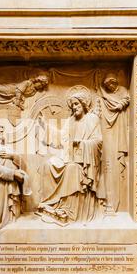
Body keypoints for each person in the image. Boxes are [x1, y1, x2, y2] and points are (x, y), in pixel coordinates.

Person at [37, 86, 105, 225]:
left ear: (83, 104)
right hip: (69, 157)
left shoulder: (92, 119)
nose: (74, 107)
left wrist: (82, 143)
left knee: (71, 169)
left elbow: (98, 142)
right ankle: (53, 203)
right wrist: (45, 125)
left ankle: (70, 210)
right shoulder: (71, 121)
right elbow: (60, 137)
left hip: (85, 163)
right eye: (72, 105)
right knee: (48, 164)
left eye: (76, 104)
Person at [97, 73, 130, 213]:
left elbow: (126, 100)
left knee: (114, 164)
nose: (110, 87)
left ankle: (114, 203)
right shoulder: (103, 98)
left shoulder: (122, 91)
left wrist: (120, 104)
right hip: (106, 130)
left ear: (115, 82)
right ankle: (106, 201)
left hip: (118, 129)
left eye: (111, 84)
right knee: (106, 164)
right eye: (107, 86)